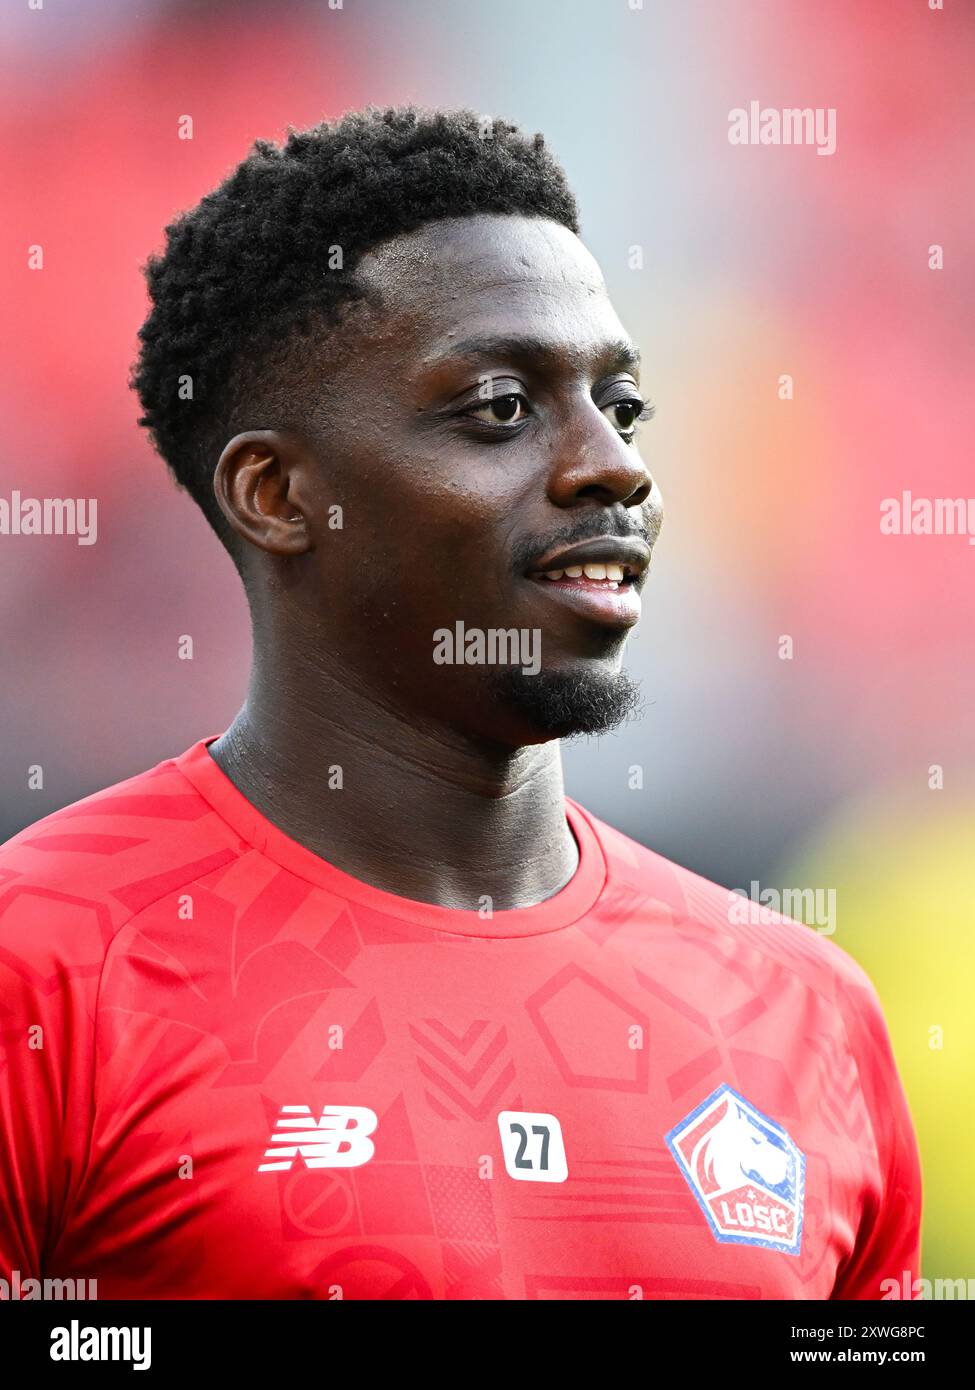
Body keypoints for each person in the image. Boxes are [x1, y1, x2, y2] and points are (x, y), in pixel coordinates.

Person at [0, 107, 920, 1300]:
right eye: (501, 407)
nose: (616, 465)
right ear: (278, 495)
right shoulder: (48, 966)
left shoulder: (804, 1011)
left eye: (623, 408)